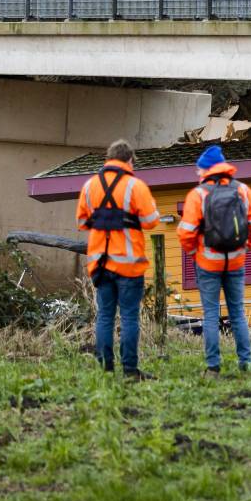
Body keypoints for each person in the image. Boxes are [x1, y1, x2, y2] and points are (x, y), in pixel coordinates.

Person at [176, 145, 251, 377]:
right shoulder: (243, 190)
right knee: (237, 313)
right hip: (236, 261)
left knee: (210, 315)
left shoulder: (198, 194)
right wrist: (246, 247)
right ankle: (246, 364)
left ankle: (213, 367)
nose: (197, 173)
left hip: (207, 263)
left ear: (206, 169)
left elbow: (185, 233)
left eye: (199, 169)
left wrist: (194, 252)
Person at [77, 138, 160, 380]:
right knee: (129, 317)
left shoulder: (90, 185)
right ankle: (130, 370)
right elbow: (151, 221)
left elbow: (82, 222)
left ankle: (105, 369)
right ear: (129, 160)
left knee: (104, 316)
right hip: (129, 264)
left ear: (108, 158)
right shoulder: (136, 186)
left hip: (101, 264)